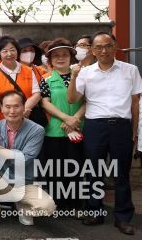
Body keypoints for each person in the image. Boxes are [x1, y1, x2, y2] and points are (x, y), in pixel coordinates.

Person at [68, 31, 140, 235]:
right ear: (92, 50)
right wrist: (74, 76)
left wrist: (134, 133)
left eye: (107, 46)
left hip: (121, 126)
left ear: (115, 46)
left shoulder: (130, 70)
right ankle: (94, 211)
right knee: (93, 171)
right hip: (94, 126)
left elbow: (135, 104)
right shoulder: (86, 72)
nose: (103, 50)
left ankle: (123, 217)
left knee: (121, 174)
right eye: (98, 47)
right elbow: (73, 99)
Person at [0, 91, 56, 231]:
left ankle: (23, 206)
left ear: (24, 107)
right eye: (7, 107)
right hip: (1, 179)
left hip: (26, 182)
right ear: (1, 108)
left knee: (48, 207)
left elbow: (24, 159)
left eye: (16, 106)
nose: (12, 111)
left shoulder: (37, 130)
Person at [38, 38, 85, 212]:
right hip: (55, 131)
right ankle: (58, 205)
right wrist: (66, 118)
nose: (60, 58)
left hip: (78, 129)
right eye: (56, 55)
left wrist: (76, 119)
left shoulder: (83, 76)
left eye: (64, 54)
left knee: (76, 170)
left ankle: (75, 206)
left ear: (71, 57)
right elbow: (45, 103)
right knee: (56, 171)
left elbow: (88, 100)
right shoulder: (46, 79)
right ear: (50, 60)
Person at [0, 36, 44, 126]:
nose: (9, 54)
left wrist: (24, 109)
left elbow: (36, 93)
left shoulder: (28, 71)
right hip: (2, 121)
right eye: (5, 51)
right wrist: (13, 111)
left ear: (17, 51)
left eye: (12, 50)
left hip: (26, 119)